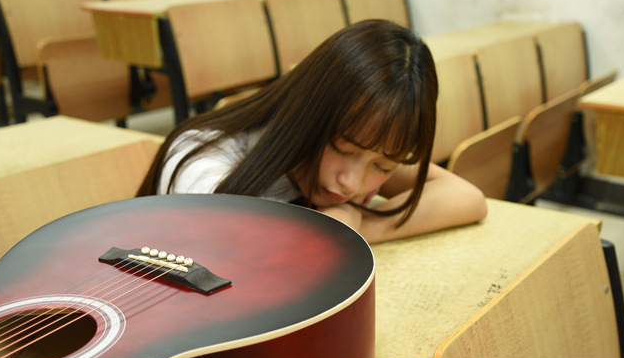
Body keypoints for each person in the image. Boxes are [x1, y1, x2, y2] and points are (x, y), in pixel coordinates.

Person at [139, 19, 487, 243]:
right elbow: (248, 266)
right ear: (311, 114)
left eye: (383, 167)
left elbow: (467, 198)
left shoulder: (361, 149)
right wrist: (335, 229)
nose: (352, 184)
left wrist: (355, 225)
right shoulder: (204, 165)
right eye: (343, 150)